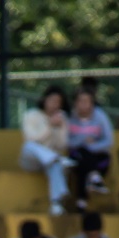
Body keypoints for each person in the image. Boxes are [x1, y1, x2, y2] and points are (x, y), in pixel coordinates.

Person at [19, 85, 70, 215]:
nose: (55, 105)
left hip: (49, 162)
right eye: (52, 100)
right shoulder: (31, 115)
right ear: (45, 100)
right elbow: (32, 138)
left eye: (58, 102)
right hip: (31, 160)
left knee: (54, 163)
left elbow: (62, 145)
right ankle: (54, 159)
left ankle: (56, 204)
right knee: (29, 146)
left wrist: (60, 127)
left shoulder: (62, 118)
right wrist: (49, 125)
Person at [66, 88, 114, 210]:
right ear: (75, 103)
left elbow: (109, 141)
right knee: (82, 158)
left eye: (87, 101)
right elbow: (66, 142)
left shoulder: (100, 117)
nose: (83, 104)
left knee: (86, 161)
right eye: (80, 101)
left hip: (98, 156)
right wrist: (84, 140)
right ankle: (95, 178)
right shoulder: (69, 117)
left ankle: (81, 201)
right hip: (76, 155)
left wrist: (91, 146)